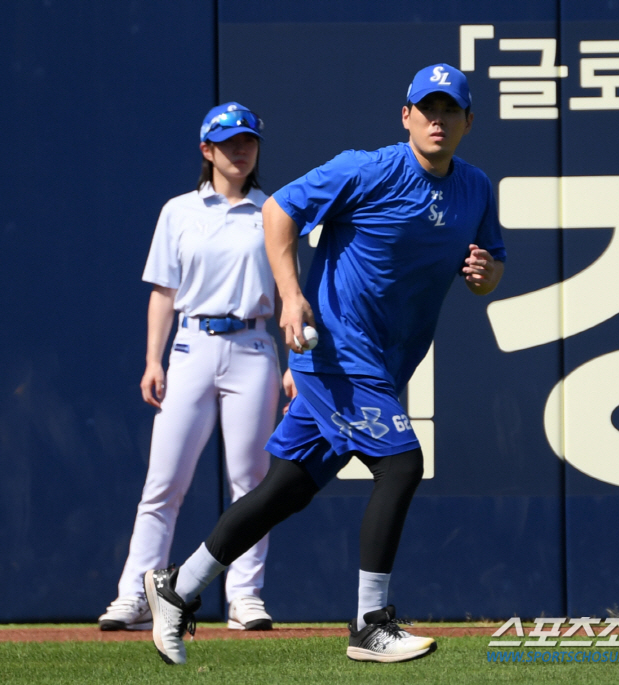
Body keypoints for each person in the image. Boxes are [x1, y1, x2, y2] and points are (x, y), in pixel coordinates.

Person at [144, 63, 506, 665]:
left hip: (384, 364)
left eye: (450, 110)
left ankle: (178, 588)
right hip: (335, 354)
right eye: (427, 108)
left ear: (468, 121)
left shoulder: (475, 188)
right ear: (406, 116)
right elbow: (278, 212)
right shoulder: (367, 169)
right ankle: (370, 623)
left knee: (283, 491)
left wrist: (485, 276)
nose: (437, 119)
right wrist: (290, 295)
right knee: (401, 463)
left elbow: (490, 269)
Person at [99, 102, 291, 633]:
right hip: (190, 346)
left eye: (248, 141)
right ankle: (137, 596)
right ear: (207, 151)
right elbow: (164, 292)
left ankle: (245, 597)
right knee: (164, 482)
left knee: (251, 483)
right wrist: (151, 359)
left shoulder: (273, 209)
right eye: (229, 142)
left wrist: (294, 359)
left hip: (253, 346)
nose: (241, 150)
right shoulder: (178, 210)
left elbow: (288, 292)